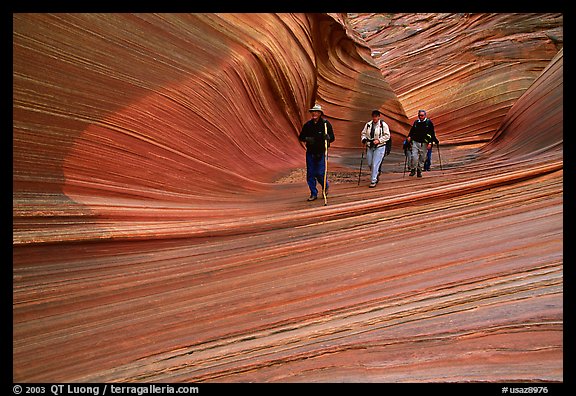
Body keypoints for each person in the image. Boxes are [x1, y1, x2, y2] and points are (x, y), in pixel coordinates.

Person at [298, 104, 335, 201]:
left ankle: (325, 186)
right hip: (310, 152)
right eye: (313, 112)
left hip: (321, 152)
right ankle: (313, 193)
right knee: (310, 174)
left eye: (316, 112)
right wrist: (307, 139)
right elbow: (301, 137)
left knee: (320, 173)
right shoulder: (308, 125)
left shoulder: (325, 124)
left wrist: (328, 138)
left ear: (320, 113)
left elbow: (332, 138)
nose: (314, 113)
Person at [360, 110, 391, 187]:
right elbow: (363, 133)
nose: (375, 118)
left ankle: (373, 180)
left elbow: (387, 136)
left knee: (375, 164)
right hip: (370, 146)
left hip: (380, 147)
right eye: (373, 116)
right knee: (370, 163)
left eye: (376, 116)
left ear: (379, 117)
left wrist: (379, 140)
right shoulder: (368, 124)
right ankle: (376, 174)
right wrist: (363, 139)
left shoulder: (383, 125)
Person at [406, 109, 439, 178]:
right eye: (419, 115)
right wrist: (409, 137)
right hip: (415, 142)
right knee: (414, 156)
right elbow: (412, 131)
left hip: (424, 143)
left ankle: (419, 170)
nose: (420, 117)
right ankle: (413, 169)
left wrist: (431, 142)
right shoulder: (416, 122)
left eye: (422, 115)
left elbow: (431, 133)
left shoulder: (428, 123)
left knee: (422, 158)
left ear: (425, 116)